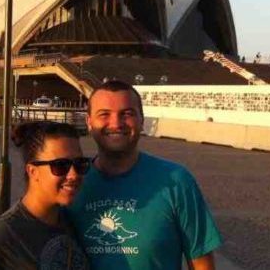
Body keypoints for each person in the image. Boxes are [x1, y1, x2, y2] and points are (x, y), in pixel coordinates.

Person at [67, 80, 222, 269]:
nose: (116, 123)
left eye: (127, 114)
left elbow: (201, 263)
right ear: (89, 122)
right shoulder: (72, 182)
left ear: (142, 120)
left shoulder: (176, 180)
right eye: (104, 114)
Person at [0, 121, 90, 269]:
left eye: (79, 164)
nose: (73, 175)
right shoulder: (1, 237)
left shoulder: (71, 222)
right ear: (33, 171)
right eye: (60, 165)